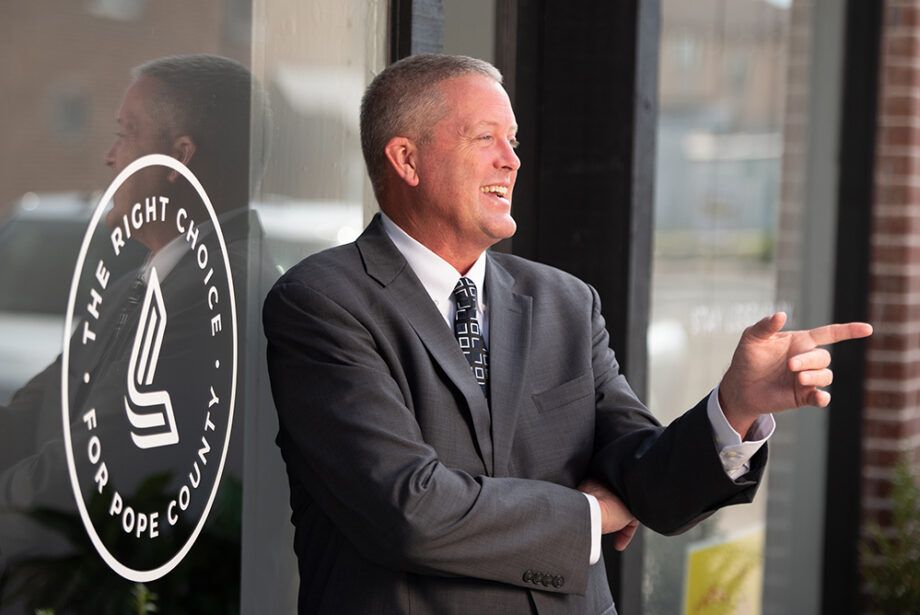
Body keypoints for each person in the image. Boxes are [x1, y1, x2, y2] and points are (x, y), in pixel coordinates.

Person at [262, 54, 872, 615]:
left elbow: (649, 481)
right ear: (406, 159)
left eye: (514, 140)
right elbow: (408, 509)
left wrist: (734, 409)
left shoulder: (566, 301)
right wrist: (588, 515)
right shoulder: (321, 301)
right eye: (486, 139)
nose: (512, 159)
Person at [0, 54, 272, 612]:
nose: (109, 157)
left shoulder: (219, 291)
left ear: (179, 159)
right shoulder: (143, 281)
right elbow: (31, 414)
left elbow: (102, 475)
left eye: (125, 135)